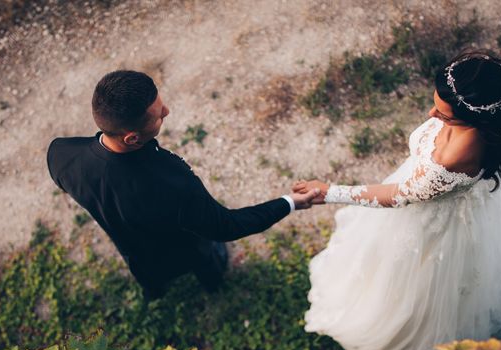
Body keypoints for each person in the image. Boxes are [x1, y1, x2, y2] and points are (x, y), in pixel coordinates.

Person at [293, 51, 501, 350]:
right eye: (436, 102)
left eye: (445, 115)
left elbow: (396, 195)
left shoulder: (449, 160)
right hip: (468, 199)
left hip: (430, 222)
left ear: (477, 121)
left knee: (406, 286)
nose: (432, 114)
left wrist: (329, 192)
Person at [47, 70, 319, 301]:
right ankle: (213, 288)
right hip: (184, 248)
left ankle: (155, 295)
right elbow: (228, 226)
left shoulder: (62, 154)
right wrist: (291, 201)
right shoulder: (172, 183)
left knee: (150, 279)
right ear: (131, 138)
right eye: (158, 116)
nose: (167, 111)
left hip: (135, 254)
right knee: (208, 263)